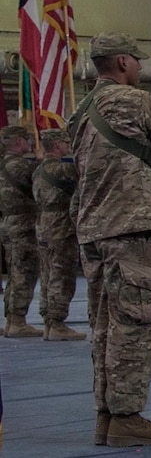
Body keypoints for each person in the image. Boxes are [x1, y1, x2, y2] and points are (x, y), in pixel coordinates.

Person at [68, 31, 151, 447]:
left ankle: (107, 414)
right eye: (136, 61)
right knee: (135, 325)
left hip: (95, 230)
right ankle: (127, 417)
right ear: (121, 63)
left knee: (104, 327)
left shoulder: (82, 109)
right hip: (130, 228)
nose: (141, 67)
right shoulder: (130, 100)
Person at [32, 128, 85, 341]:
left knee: (46, 274)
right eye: (65, 142)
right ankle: (57, 324)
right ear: (57, 146)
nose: (67, 145)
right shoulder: (63, 170)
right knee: (62, 275)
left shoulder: (36, 171)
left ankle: (48, 322)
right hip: (61, 227)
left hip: (42, 226)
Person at [0, 125, 42, 338]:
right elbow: (44, 185)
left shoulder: (3, 164)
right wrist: (43, 160)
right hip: (24, 224)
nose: (30, 143)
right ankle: (17, 321)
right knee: (25, 272)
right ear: (19, 142)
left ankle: (10, 320)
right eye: (27, 139)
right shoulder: (20, 166)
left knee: (15, 273)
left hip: (8, 222)